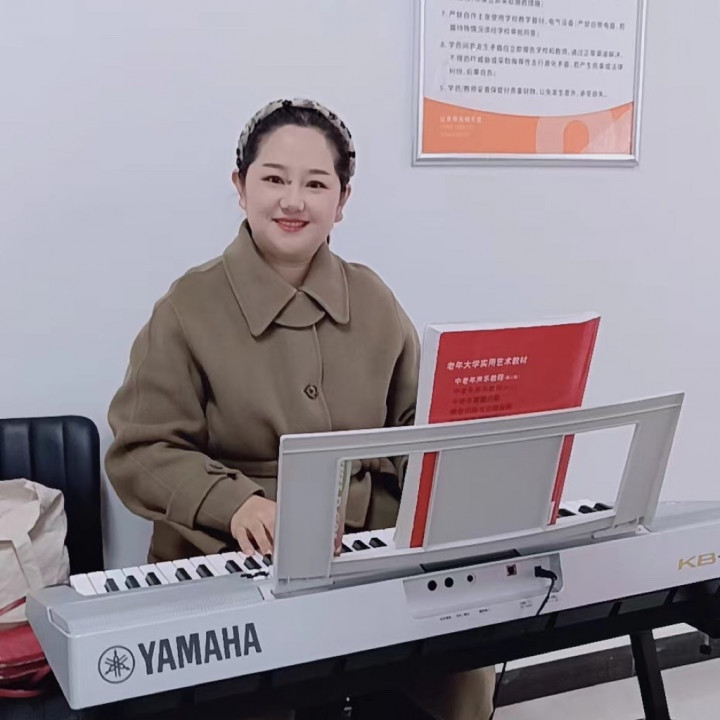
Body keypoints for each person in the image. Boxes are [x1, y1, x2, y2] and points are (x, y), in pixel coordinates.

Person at [105, 97, 495, 720]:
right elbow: (142, 450)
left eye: (316, 184)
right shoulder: (186, 307)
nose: (294, 201)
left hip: (367, 552)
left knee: (462, 659)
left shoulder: (373, 297)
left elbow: (411, 426)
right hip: (231, 557)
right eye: (274, 179)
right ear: (240, 188)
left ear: (342, 201)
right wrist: (236, 504)